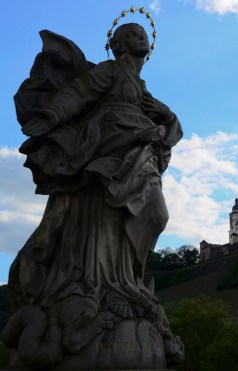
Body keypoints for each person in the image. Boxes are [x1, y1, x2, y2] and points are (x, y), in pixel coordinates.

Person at [6, 23, 184, 366]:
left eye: (142, 34)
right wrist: (51, 117)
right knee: (105, 221)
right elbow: (78, 96)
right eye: (133, 33)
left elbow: (171, 131)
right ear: (119, 44)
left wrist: (167, 116)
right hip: (107, 155)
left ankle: (126, 279)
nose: (141, 36)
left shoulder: (143, 89)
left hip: (139, 159)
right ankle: (104, 283)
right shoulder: (110, 72)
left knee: (156, 216)